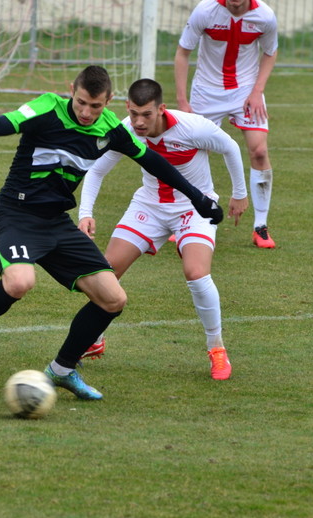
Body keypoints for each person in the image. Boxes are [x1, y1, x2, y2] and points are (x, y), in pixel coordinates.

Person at [0, 65, 224, 400]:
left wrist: (198, 198)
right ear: (72, 91)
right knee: (20, 282)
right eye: (81, 102)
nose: (86, 112)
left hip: (56, 222)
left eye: (95, 106)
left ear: (108, 101)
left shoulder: (110, 128)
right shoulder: (46, 107)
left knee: (113, 299)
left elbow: (153, 162)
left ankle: (62, 369)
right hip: (16, 215)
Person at [78, 78, 247, 380]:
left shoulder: (193, 127)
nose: (139, 122)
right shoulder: (125, 130)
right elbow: (96, 170)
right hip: (149, 206)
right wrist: (85, 213)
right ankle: (94, 338)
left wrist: (239, 194)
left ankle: (216, 348)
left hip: (193, 208)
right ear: (127, 108)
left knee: (196, 273)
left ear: (161, 109)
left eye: (146, 114)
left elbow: (231, 147)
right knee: (105, 273)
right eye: (134, 114)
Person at [174, 0, 278, 248]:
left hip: (246, 90)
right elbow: (183, 52)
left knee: (259, 151)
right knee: (193, 153)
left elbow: (270, 51)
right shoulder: (205, 11)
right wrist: (182, 101)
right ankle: (185, 218)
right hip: (206, 92)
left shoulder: (265, 16)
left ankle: (260, 227)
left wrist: (257, 90)